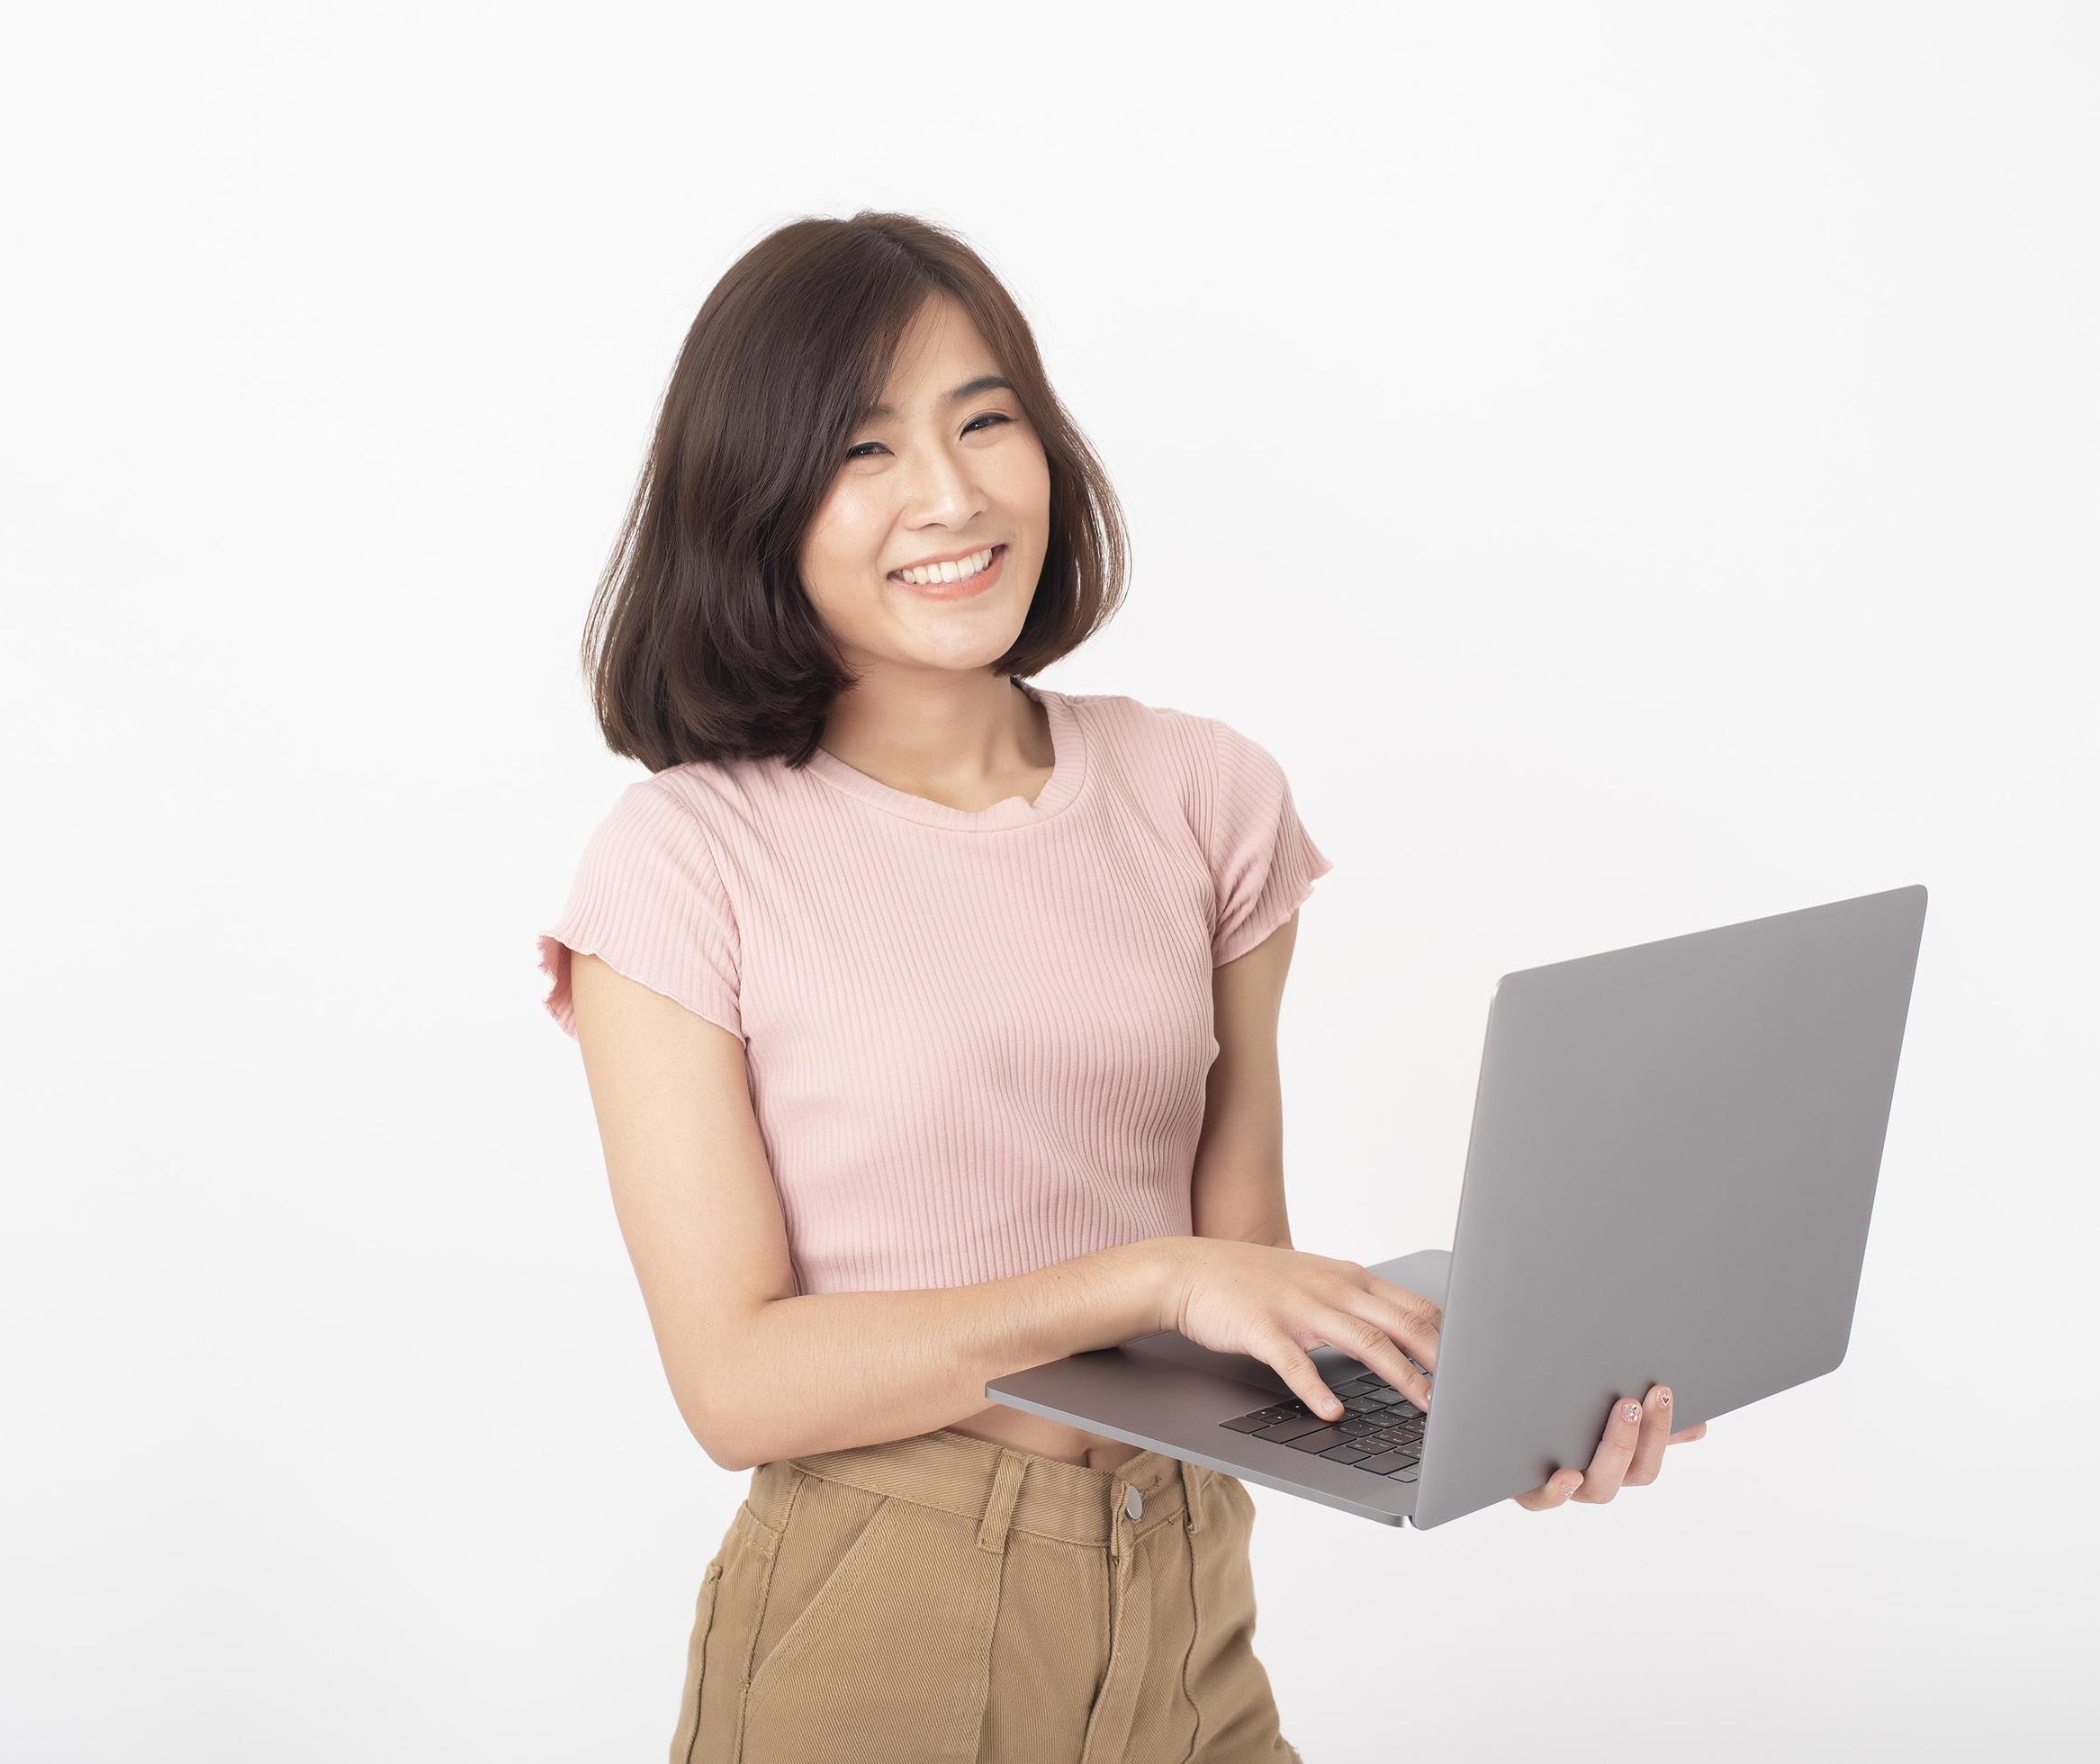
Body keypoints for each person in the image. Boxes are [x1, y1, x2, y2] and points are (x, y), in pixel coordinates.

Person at [535, 212, 1701, 1764]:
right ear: (754, 506)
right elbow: (736, 1384)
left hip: (1188, 1610)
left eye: (985, 420)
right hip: (880, 1627)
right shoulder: (685, 860)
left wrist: (1497, 1412)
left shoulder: (1199, 795)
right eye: (864, 451)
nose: (950, 495)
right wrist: (1143, 1279)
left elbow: (1236, 1279)